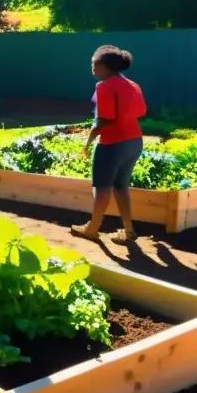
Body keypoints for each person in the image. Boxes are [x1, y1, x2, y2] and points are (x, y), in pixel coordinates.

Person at [71, 45, 147, 244]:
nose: (92, 68)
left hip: (112, 144)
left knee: (102, 188)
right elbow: (139, 112)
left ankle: (92, 229)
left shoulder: (104, 86)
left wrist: (87, 143)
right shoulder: (132, 85)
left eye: (94, 64)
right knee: (121, 187)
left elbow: (104, 120)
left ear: (104, 65)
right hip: (134, 142)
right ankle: (129, 230)